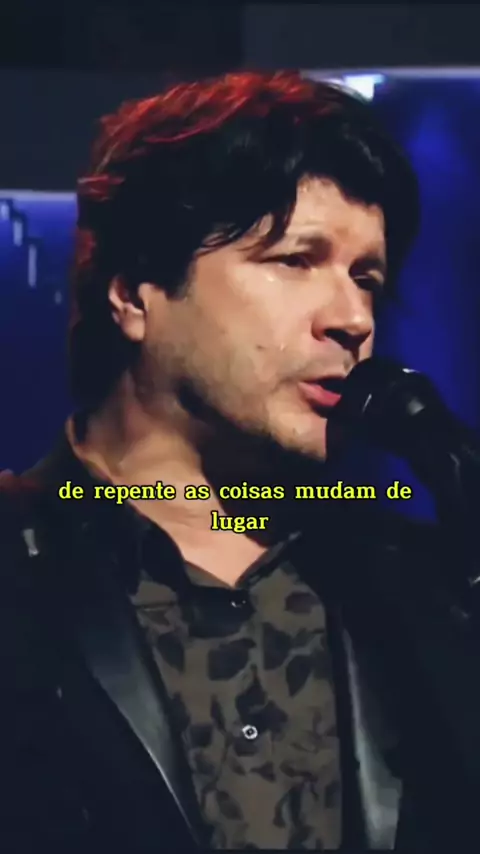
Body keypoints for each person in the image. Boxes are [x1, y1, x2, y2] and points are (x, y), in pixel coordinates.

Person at [0, 71, 477, 853]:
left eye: (366, 278)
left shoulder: (416, 586)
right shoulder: (16, 570)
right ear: (135, 294)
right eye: (295, 260)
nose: (353, 318)